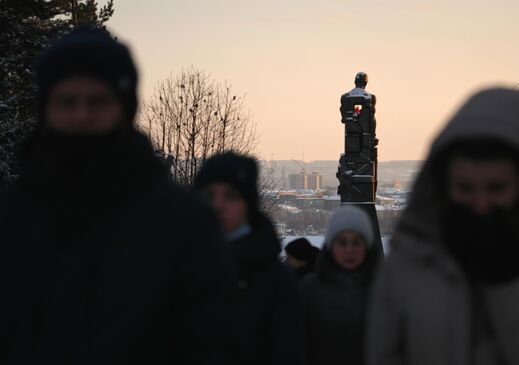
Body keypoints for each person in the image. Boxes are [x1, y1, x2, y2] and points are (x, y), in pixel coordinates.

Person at [0, 28, 236, 364]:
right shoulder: (13, 218)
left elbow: (215, 341)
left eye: (97, 101)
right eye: (68, 101)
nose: (82, 114)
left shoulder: (182, 220)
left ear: (123, 107)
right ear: (46, 107)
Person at [367, 88, 519, 365]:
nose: (480, 204)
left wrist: (510, 281)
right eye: (465, 188)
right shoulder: (408, 262)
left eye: (496, 188)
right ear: (444, 185)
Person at [194, 152, 304, 365]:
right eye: (209, 195)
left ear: (248, 205)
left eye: (230, 196)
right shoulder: (176, 264)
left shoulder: (276, 280)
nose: (218, 205)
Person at [301, 206, 380, 365]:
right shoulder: (308, 290)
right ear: (331, 245)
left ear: (367, 246)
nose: (349, 250)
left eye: (356, 242)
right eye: (342, 242)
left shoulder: (385, 290)